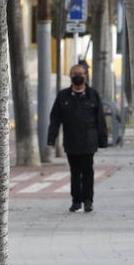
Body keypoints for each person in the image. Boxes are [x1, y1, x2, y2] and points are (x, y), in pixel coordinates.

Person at [47, 63, 108, 213]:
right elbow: (55, 118)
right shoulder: (63, 96)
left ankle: (88, 200)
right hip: (71, 141)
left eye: (81, 73)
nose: (78, 76)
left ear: (86, 76)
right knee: (75, 172)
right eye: (75, 74)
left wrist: (103, 139)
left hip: (89, 141)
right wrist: (51, 139)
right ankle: (76, 201)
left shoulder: (93, 95)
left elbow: (100, 118)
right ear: (70, 76)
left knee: (87, 171)